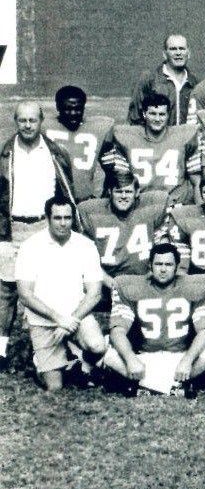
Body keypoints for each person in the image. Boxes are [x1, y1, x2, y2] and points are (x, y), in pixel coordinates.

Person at [0, 102, 77, 367]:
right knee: (6, 291)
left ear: (42, 121)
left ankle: (51, 348)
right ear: (16, 121)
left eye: (33, 120)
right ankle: (0, 350)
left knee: (48, 288)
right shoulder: (5, 153)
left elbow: (67, 193)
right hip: (13, 229)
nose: (28, 125)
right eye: (22, 120)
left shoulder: (55, 152)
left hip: (45, 228)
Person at [13, 196, 107, 391]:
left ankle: (80, 360)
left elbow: (95, 293)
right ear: (47, 219)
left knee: (98, 346)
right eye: (58, 218)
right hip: (44, 319)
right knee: (55, 387)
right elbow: (25, 295)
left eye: (67, 218)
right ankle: (40, 359)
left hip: (76, 317)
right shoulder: (30, 246)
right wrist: (58, 318)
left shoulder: (85, 245)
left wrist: (70, 320)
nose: (63, 223)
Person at [100, 242, 205, 396]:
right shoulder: (130, 286)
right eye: (158, 264)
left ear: (177, 266)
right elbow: (117, 331)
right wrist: (131, 360)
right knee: (108, 354)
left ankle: (143, 387)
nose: (162, 269)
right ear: (150, 265)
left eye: (168, 264)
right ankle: (175, 387)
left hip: (179, 357)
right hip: (146, 358)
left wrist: (187, 361)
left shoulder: (196, 286)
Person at [100, 93, 198, 205]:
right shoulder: (127, 137)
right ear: (144, 114)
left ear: (168, 115)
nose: (157, 119)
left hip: (175, 204)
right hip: (141, 205)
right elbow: (118, 178)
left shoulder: (184, 135)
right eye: (152, 113)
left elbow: (196, 178)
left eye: (161, 114)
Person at [75, 173, 169, 288]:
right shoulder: (91, 212)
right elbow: (85, 256)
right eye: (118, 191)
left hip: (145, 282)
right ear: (109, 192)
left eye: (128, 192)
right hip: (107, 283)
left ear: (137, 192)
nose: (123, 196)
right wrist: (106, 280)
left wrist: (153, 275)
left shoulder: (152, 206)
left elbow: (164, 244)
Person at [46, 85, 115, 204]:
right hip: (53, 202)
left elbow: (111, 168)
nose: (73, 113)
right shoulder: (44, 127)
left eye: (78, 109)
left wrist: (105, 195)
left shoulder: (99, 128)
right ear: (58, 107)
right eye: (67, 108)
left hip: (84, 200)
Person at [128, 33, 198, 126]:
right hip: (158, 139)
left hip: (186, 139)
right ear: (165, 54)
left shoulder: (196, 83)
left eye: (182, 48)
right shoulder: (149, 79)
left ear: (188, 53)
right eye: (173, 49)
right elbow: (135, 117)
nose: (178, 53)